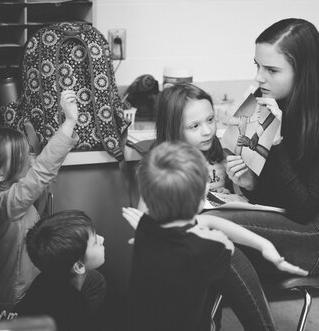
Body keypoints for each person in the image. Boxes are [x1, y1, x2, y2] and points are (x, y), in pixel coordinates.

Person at [213, 18, 319, 281]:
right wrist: (249, 183)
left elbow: (303, 207)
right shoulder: (274, 102)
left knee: (211, 229)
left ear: (304, 71)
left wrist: (275, 139)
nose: (258, 77)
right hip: (291, 219)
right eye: (257, 65)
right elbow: (279, 196)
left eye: (272, 70)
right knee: (207, 238)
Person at [122, 141, 306, 331]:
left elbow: (207, 223)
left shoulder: (146, 227)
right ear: (203, 198)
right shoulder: (209, 249)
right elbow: (219, 236)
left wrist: (263, 244)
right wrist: (264, 245)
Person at [0, 90, 79, 311]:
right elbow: (41, 171)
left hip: (26, 287)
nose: (30, 159)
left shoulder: (8, 194)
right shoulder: (2, 204)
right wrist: (70, 122)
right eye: (22, 156)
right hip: (10, 300)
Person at [13, 210, 107, 331]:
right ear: (78, 266)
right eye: (95, 242)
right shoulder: (74, 308)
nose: (102, 239)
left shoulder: (43, 280)